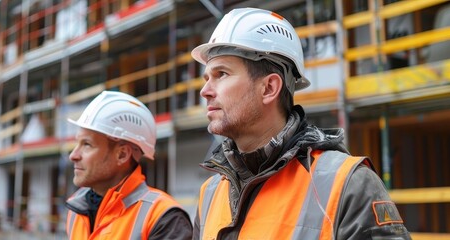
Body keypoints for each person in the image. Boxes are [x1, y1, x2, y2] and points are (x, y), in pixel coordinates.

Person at [191, 8, 411, 239]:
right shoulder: (210, 193)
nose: (205, 91)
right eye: (206, 78)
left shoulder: (347, 184)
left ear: (269, 88)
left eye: (221, 74)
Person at [65, 91, 192, 239]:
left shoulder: (164, 219)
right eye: (77, 143)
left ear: (122, 154)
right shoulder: (76, 209)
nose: (73, 155)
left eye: (87, 144)